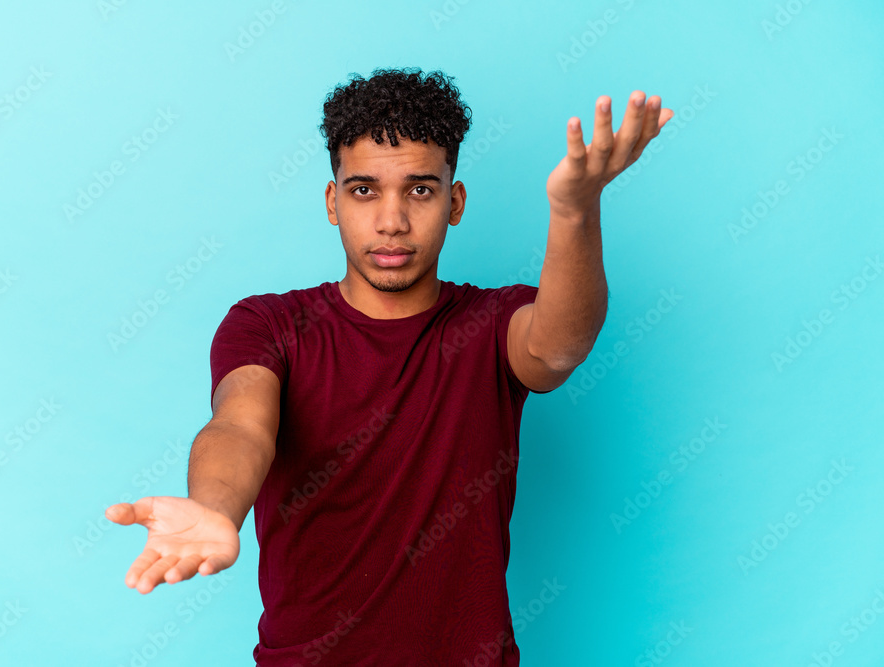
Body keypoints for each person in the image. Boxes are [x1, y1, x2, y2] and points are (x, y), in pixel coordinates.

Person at [105, 66, 673, 665]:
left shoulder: (491, 323)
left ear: (454, 202)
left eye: (420, 190)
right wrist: (215, 509)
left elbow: (556, 348)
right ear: (333, 201)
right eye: (364, 190)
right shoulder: (267, 325)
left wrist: (576, 212)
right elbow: (240, 426)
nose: (392, 221)